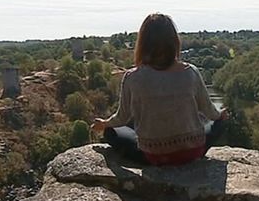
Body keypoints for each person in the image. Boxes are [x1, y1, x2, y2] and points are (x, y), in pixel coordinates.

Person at [91, 13, 227, 165]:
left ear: (143, 43)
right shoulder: (191, 72)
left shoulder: (133, 77)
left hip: (154, 156)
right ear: (174, 41)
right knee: (220, 123)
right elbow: (210, 112)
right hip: (192, 152)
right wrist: (221, 115)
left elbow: (121, 118)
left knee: (111, 131)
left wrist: (104, 123)